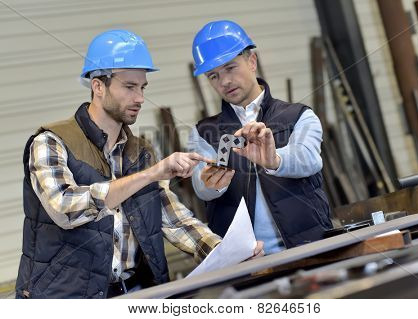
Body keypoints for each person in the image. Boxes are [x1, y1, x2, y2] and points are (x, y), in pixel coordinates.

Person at [15, 29, 262, 299]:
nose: (140, 98)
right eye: (130, 87)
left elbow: (174, 220)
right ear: (98, 86)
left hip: (134, 293)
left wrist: (229, 253)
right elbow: (65, 208)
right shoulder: (52, 142)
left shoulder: (140, 152)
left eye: (142, 87)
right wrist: (150, 174)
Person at [188, 20, 333, 255]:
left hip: (308, 249)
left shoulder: (298, 116)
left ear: (252, 61)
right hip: (246, 261)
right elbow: (199, 186)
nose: (224, 81)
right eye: (213, 76)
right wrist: (210, 185)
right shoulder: (203, 131)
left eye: (230, 68)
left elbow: (309, 159)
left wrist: (273, 159)